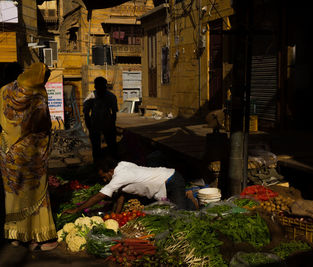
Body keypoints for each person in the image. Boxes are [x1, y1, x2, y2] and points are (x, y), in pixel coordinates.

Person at [0, 62, 57, 251]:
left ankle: (15, 236)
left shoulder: (3, 91)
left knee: (14, 193)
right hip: (32, 152)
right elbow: (42, 122)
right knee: (36, 194)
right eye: (45, 77)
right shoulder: (38, 93)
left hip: (8, 151)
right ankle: (39, 237)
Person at [64, 159, 188, 214]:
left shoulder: (119, 176)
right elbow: (121, 196)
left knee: (182, 216)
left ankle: (191, 201)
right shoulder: (123, 165)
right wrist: (116, 216)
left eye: (104, 177)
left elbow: (100, 196)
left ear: (110, 171)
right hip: (166, 180)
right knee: (176, 210)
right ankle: (188, 200)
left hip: (171, 180)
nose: (104, 180)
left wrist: (77, 209)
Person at [83, 76, 118, 162]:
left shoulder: (111, 97)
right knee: (96, 149)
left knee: (112, 147)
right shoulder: (90, 98)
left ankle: (112, 165)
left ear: (105, 86)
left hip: (108, 125)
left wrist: (112, 125)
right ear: (95, 87)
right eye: (99, 86)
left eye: (103, 86)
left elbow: (114, 112)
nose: (101, 88)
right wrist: (89, 127)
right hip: (95, 126)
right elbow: (86, 114)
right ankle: (97, 167)